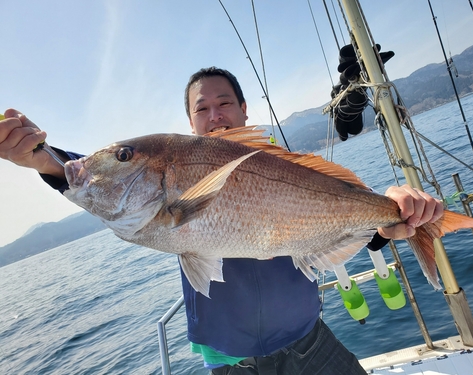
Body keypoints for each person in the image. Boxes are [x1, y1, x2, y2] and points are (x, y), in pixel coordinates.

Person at [0, 67, 443, 374]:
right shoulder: (174, 164)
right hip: (228, 363)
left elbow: (353, 225)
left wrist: (394, 215)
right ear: (189, 121)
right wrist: (40, 158)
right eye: (201, 108)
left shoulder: (279, 162)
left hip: (310, 342)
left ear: (244, 110)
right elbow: (86, 172)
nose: (215, 115)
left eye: (224, 103)